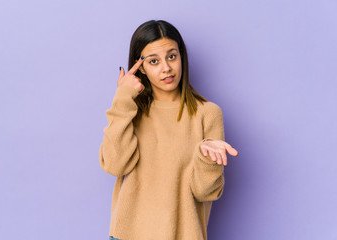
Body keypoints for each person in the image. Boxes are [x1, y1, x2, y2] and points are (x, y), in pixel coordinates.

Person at [99, 19, 238, 240]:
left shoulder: (207, 113)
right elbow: (115, 165)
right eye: (154, 61)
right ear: (141, 66)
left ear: (181, 56)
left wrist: (206, 158)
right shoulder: (130, 111)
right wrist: (123, 98)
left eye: (171, 56)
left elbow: (206, 192)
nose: (166, 68)